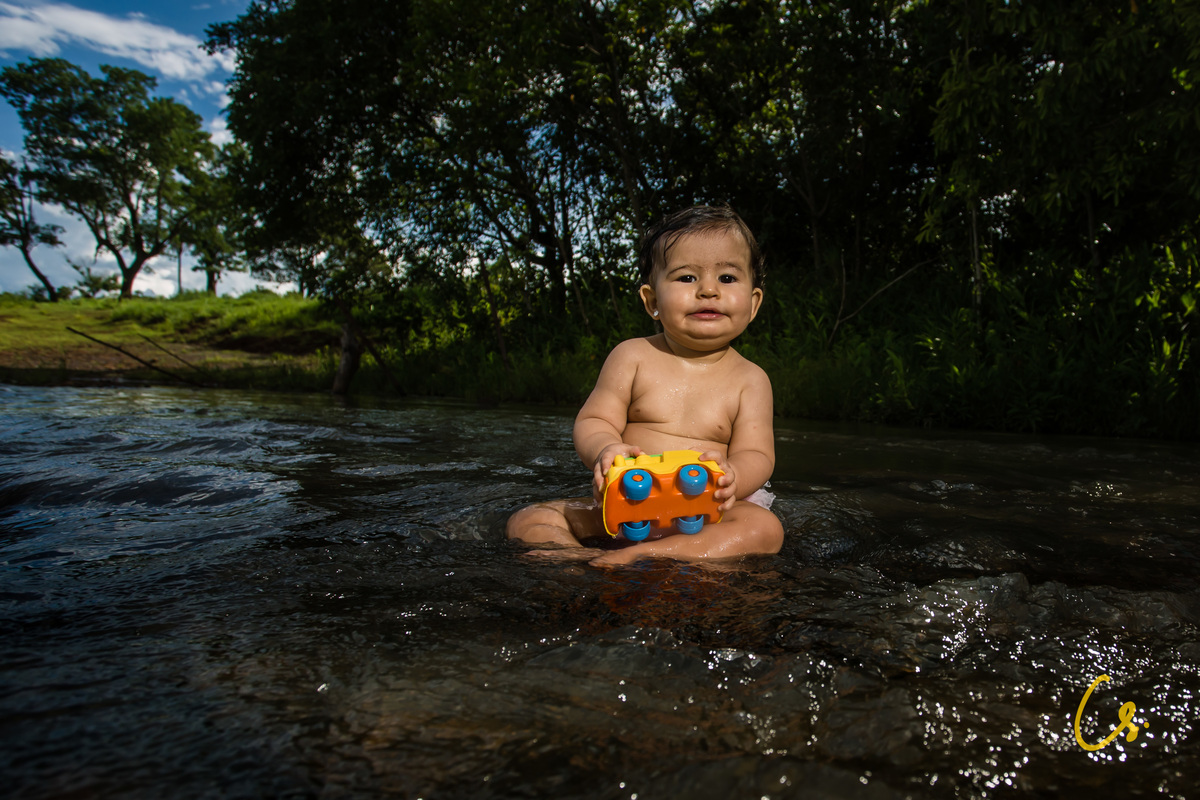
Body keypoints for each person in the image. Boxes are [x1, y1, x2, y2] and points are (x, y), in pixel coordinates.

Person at [506, 205, 784, 566]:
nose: (708, 290)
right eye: (687, 277)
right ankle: (576, 558)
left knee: (764, 529)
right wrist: (605, 449)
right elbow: (594, 420)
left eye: (727, 278)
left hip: (707, 512)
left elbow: (757, 454)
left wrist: (734, 476)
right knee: (530, 519)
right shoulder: (632, 357)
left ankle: (646, 554)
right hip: (627, 506)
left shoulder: (751, 379)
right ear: (652, 301)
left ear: (754, 303)